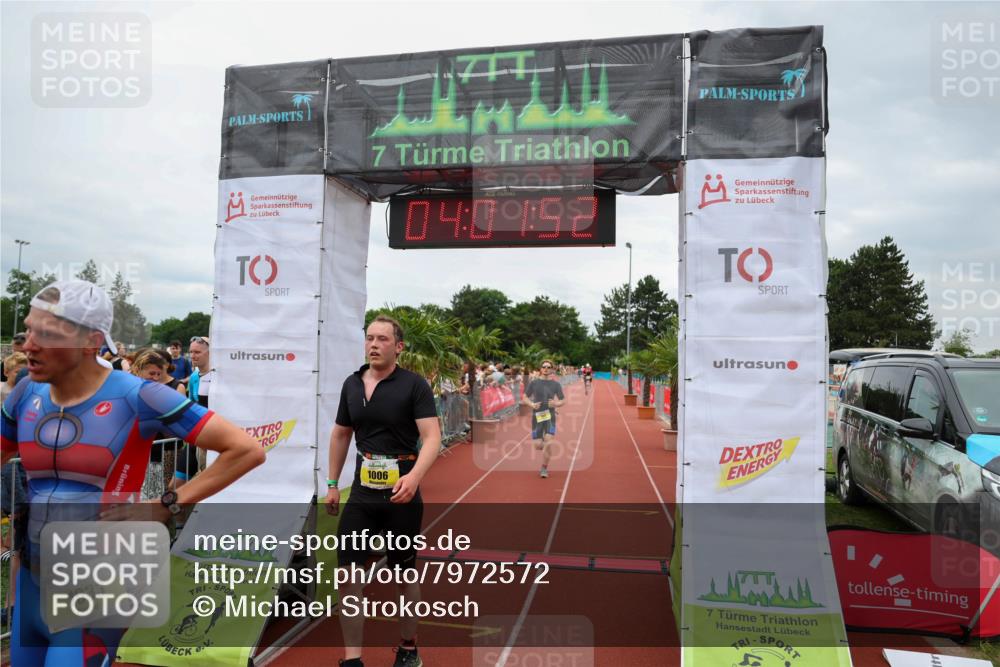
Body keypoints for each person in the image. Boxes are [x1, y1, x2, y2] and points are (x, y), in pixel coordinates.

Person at [0, 280, 264, 667]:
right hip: (31, 584)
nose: (28, 344)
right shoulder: (25, 393)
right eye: (29, 330)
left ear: (90, 341)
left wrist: (167, 503)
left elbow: (245, 450)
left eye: (47, 333)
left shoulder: (139, 395)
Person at [325, 315, 441, 667]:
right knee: (347, 575)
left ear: (398, 346)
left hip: (401, 495)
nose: (374, 344)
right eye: (370, 338)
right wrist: (332, 484)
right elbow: (341, 434)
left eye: (382, 339)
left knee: (404, 577)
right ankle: (352, 659)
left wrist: (415, 477)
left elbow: (433, 437)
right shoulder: (351, 384)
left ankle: (408, 647)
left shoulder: (414, 385)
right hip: (362, 494)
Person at [521, 359, 565, 479]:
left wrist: (556, 404)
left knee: (548, 442)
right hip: (537, 417)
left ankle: (544, 468)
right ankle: (544, 444)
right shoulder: (534, 383)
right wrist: (531, 405)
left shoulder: (556, 385)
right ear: (540, 369)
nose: (546, 368)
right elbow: (524, 397)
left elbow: (563, 400)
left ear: (551, 369)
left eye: (548, 367)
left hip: (550, 417)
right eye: (544, 366)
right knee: (538, 445)